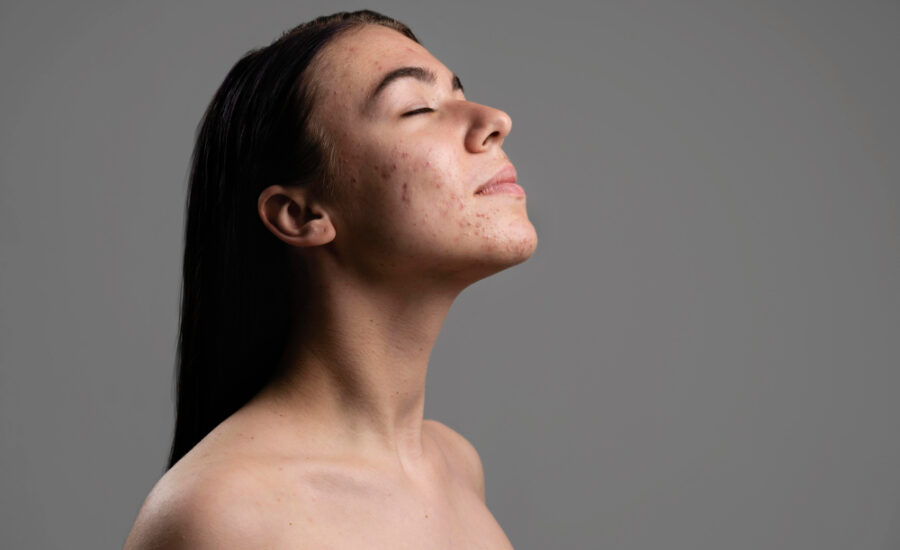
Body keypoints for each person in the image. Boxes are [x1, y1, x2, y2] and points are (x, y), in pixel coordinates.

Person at [123, 9, 536, 549]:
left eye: (460, 94)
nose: (494, 119)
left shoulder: (456, 466)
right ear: (299, 215)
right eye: (416, 107)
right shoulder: (224, 515)